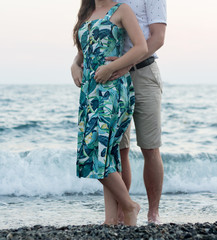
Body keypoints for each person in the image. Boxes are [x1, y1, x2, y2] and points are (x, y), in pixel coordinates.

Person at [72, 0, 148, 225]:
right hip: (90, 91)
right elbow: (82, 54)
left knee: (96, 149)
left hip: (113, 89)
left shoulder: (121, 9)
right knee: (108, 152)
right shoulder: (86, 13)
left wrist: (113, 67)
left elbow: (141, 47)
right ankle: (110, 219)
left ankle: (129, 205)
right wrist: (74, 66)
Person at [106, 0, 167, 224]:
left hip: (143, 72)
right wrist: (76, 61)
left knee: (150, 147)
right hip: (113, 75)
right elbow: (89, 27)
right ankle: (124, 210)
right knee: (120, 148)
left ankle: (153, 213)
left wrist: (126, 63)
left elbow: (158, 38)